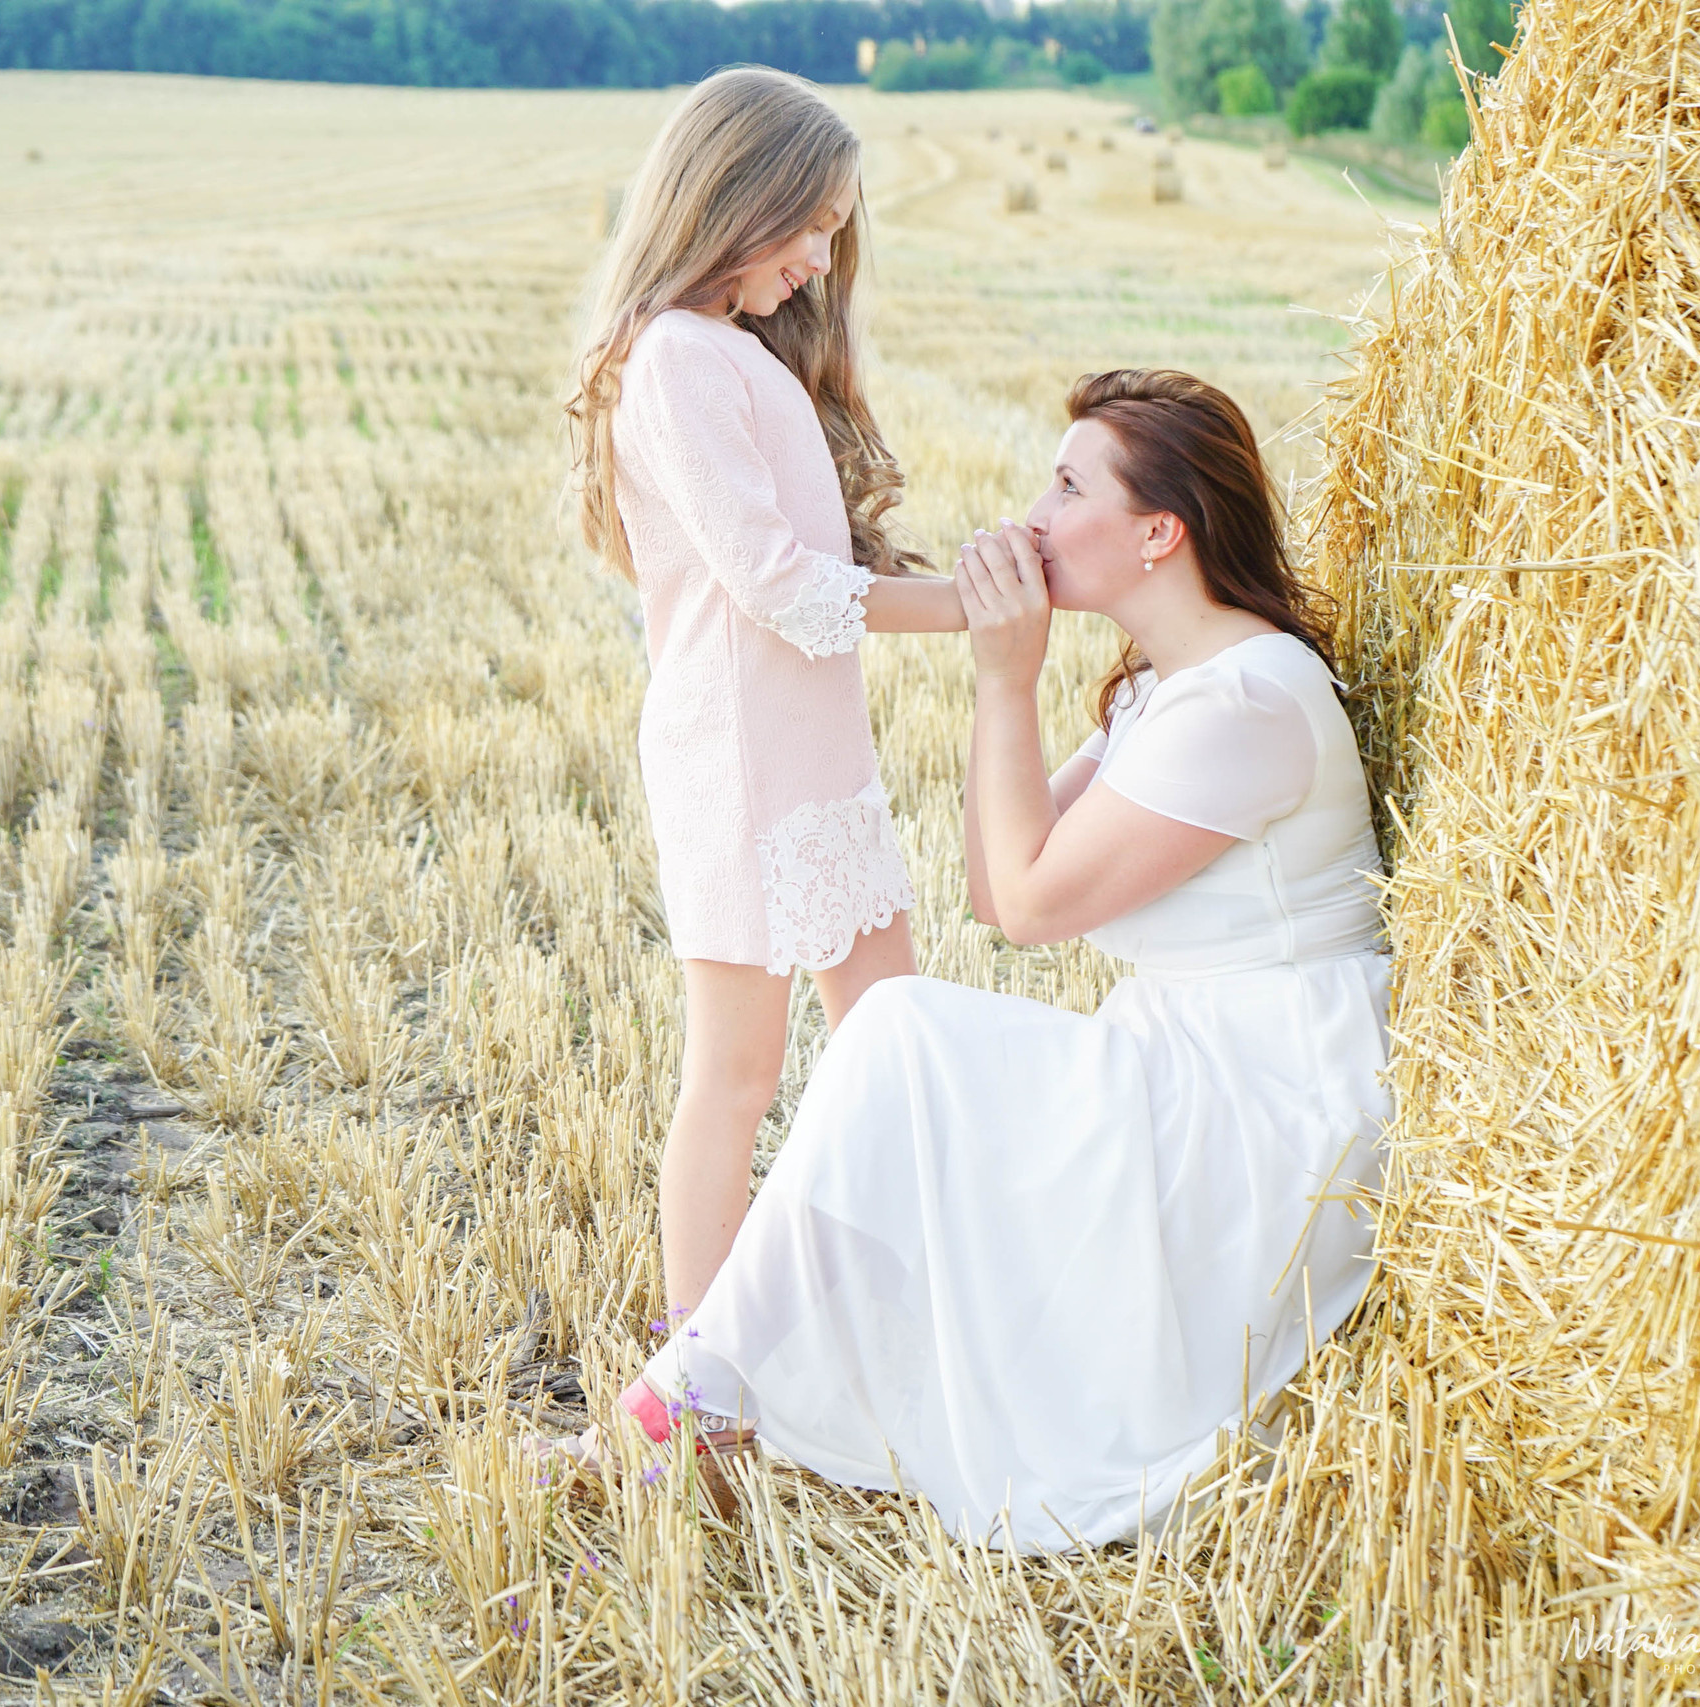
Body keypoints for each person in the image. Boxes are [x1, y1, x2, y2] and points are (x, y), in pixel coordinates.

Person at [583, 369, 1395, 1551]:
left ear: (1158, 533)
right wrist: (1000, 685)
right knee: (903, 1053)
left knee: (903, 1036)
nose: (1032, 516)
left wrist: (1004, 679)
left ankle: (691, 1398)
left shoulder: (1248, 702)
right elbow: (995, 882)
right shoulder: (1165, 690)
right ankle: (705, 1390)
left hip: (1266, 1111)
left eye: (1067, 488)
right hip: (1185, 1062)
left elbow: (1022, 905)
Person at [564, 68, 966, 1359]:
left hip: (817, 767)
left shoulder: (731, 353)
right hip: (737, 773)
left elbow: (815, 566)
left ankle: (884, 1337)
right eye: (813, 226)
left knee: (888, 1054)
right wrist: (970, 608)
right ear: (740, 195)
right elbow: (782, 589)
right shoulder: (674, 362)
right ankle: (699, 1388)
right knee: (733, 1083)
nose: (821, 260)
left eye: (837, 233)